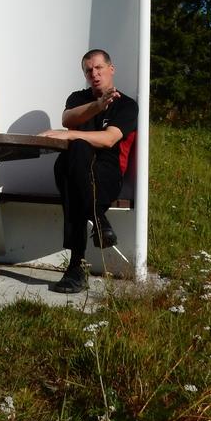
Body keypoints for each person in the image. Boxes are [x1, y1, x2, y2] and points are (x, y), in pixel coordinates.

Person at [40, 49, 137, 293]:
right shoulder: (78, 97)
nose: (94, 74)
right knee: (71, 159)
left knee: (76, 153)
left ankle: (76, 266)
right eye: (88, 70)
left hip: (106, 175)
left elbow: (108, 139)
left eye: (99, 68)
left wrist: (71, 135)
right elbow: (67, 118)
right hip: (74, 171)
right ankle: (99, 219)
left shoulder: (126, 104)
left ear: (111, 69)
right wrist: (96, 105)